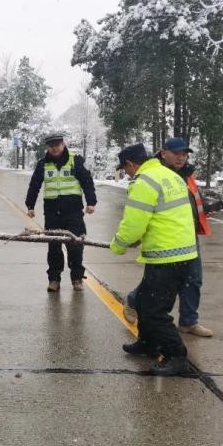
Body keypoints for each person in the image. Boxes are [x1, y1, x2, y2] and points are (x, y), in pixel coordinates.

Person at [110, 144, 198, 376]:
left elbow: (134, 223)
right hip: (182, 253)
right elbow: (165, 214)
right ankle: (148, 343)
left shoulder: (144, 182)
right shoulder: (168, 175)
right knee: (143, 302)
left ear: (130, 164)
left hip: (167, 256)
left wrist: (119, 244)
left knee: (155, 311)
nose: (127, 174)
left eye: (125, 169)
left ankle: (176, 356)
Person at [123, 137, 214, 337]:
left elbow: (189, 201)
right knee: (157, 282)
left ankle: (189, 321)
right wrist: (132, 237)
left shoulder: (187, 173)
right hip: (165, 238)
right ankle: (134, 301)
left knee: (193, 279)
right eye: (176, 153)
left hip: (187, 234)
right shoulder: (155, 174)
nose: (181, 157)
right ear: (163, 153)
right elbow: (141, 211)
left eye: (184, 154)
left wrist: (205, 208)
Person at [25, 132, 97, 292]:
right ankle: (54, 279)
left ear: (63, 144)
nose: (54, 148)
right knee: (54, 247)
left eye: (57, 145)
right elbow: (34, 185)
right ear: (47, 147)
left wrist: (91, 202)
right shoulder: (43, 164)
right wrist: (30, 205)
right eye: (51, 146)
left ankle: (77, 278)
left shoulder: (75, 161)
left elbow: (87, 182)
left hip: (73, 212)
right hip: (52, 213)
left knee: (75, 246)